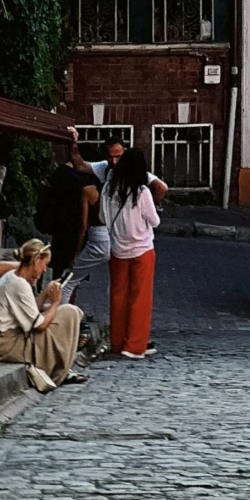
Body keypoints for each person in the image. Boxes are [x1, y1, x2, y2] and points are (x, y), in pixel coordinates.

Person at [0, 239, 86, 388]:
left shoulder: (13, 276)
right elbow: (39, 325)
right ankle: (60, 370)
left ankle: (62, 366)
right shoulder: (18, 284)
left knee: (67, 311)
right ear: (37, 260)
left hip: (1, 342)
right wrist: (55, 303)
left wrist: (46, 294)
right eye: (45, 264)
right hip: (7, 345)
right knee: (69, 312)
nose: (45, 269)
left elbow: (30, 309)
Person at [104, 144, 161, 360]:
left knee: (118, 297)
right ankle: (135, 345)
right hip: (142, 249)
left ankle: (118, 342)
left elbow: (104, 217)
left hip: (118, 249)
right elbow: (155, 221)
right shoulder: (142, 191)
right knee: (140, 298)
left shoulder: (108, 191)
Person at [44, 135, 100, 280]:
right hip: (75, 227)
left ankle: (56, 298)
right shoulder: (82, 179)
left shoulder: (61, 173)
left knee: (59, 271)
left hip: (60, 226)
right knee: (74, 275)